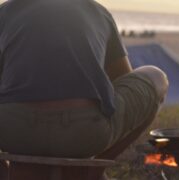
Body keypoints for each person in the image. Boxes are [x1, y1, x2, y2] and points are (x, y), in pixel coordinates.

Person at [0, 0, 168, 175]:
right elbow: (123, 78)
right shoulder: (97, 11)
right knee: (156, 76)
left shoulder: (5, 11)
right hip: (85, 132)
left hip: (14, 132)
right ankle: (93, 169)